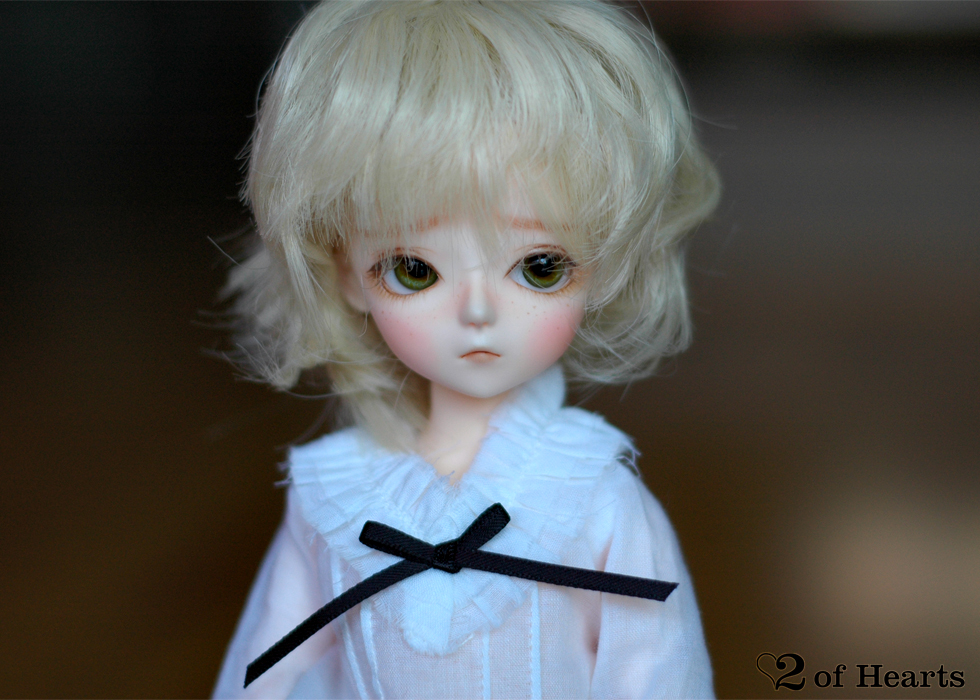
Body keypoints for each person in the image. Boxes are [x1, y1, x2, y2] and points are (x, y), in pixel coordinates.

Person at [213, 1, 720, 697]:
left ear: (604, 266)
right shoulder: (337, 495)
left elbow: (656, 673)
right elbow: (268, 665)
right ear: (345, 274)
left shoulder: (590, 495)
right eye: (414, 270)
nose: (477, 312)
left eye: (540, 267)